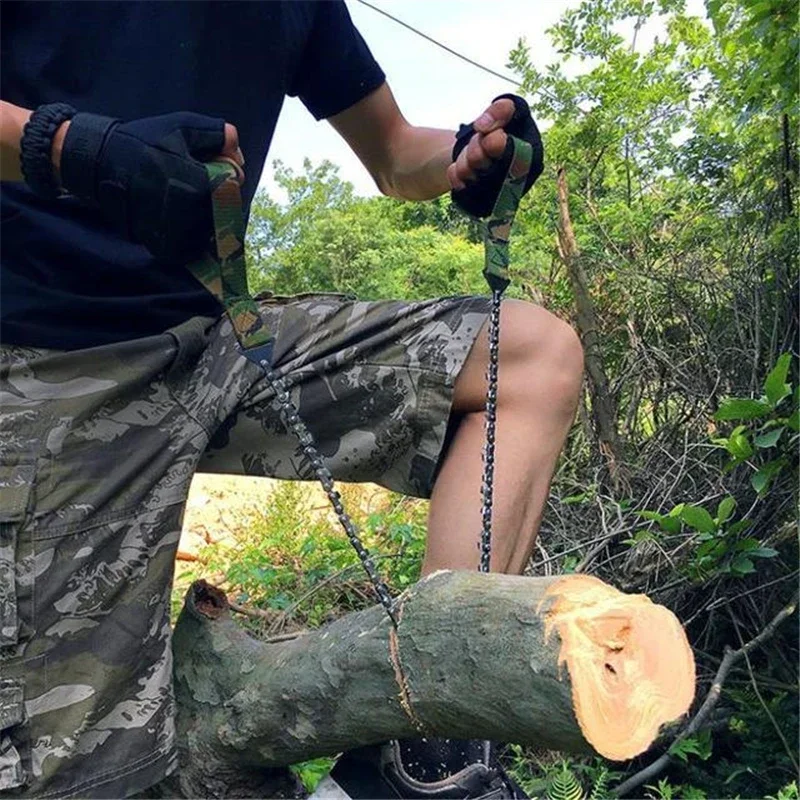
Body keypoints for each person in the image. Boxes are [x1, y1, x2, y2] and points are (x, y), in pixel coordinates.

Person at [0, 2, 584, 798]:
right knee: (86, 777)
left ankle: (423, 762)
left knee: (531, 359)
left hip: (218, 335)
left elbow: (393, 153)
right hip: (52, 361)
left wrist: (465, 157)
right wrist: (70, 149)